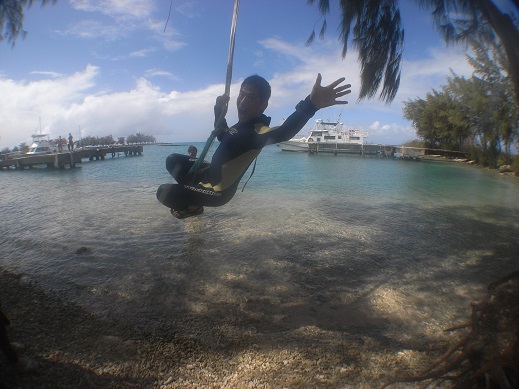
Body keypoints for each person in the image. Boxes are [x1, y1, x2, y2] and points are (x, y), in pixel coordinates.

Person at [157, 73, 351, 219]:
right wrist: (218, 109)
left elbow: (285, 132)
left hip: (217, 192)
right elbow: (222, 136)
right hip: (206, 174)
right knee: (172, 160)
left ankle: (192, 206)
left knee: (165, 193)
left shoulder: (258, 133)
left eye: (250, 98)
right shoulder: (240, 125)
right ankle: (192, 199)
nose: (242, 101)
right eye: (241, 95)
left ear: (263, 106)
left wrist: (311, 104)